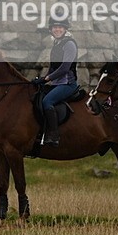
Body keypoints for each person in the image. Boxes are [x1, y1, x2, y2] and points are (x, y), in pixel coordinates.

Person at [32, 13, 79, 147]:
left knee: (47, 102)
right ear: (51, 29)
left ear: (65, 29)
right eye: (54, 27)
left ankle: (53, 135)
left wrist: (47, 78)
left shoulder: (69, 44)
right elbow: (53, 68)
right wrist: (42, 80)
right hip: (57, 83)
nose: (57, 30)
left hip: (68, 84)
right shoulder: (56, 44)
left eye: (60, 27)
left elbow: (65, 68)